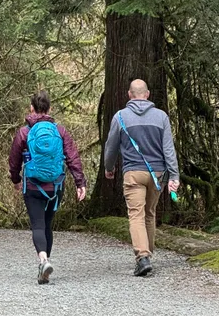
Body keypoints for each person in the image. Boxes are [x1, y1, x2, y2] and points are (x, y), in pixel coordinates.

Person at [103, 78, 180, 277]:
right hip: (158, 174)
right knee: (150, 212)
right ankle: (148, 253)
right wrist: (174, 175)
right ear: (147, 95)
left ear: (130, 95)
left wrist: (108, 167)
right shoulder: (161, 117)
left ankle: (142, 256)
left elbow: (111, 147)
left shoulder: (120, 117)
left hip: (133, 173)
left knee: (136, 214)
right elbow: (168, 149)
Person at [9, 90, 87, 284]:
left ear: (31, 108)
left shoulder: (24, 132)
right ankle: (45, 264)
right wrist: (80, 182)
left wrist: (15, 179)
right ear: (49, 109)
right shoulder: (59, 131)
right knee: (47, 224)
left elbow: (14, 160)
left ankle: (43, 260)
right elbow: (72, 157)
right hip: (55, 186)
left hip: (33, 186)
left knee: (37, 224)